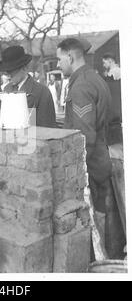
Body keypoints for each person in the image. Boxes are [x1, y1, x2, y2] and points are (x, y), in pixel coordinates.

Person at [56, 38, 125, 258]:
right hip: (101, 160)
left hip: (90, 167)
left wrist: (78, 175)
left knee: (93, 226)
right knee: (102, 219)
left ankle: (97, 265)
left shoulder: (81, 86)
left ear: (70, 56)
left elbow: (84, 137)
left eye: (59, 59)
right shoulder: (93, 78)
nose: (58, 65)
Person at [0, 45, 56, 127]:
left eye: (11, 71)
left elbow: (48, 128)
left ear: (24, 68)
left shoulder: (42, 92)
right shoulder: (7, 89)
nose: (8, 75)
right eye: (6, 71)